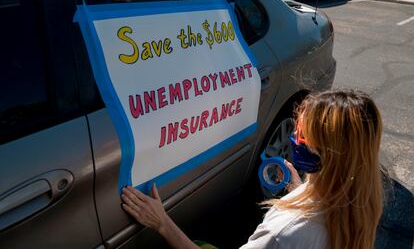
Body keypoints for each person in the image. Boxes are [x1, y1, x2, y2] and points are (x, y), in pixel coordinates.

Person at [121, 90, 384, 249]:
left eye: (302, 134)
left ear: (322, 153)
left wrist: (162, 223)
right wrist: (300, 189)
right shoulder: (362, 201)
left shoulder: (285, 230)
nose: (293, 135)